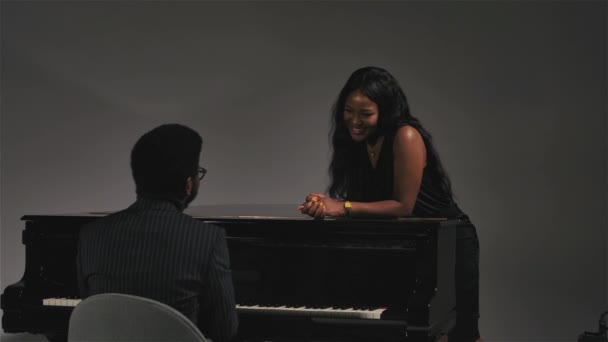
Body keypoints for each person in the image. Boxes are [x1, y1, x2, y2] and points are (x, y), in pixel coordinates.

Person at [298, 66, 483, 342]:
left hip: (449, 242)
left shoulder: (405, 135)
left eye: (366, 114)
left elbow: (403, 206)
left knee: (462, 336)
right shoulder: (354, 143)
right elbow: (365, 204)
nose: (355, 121)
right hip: (409, 245)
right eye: (349, 111)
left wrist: (342, 207)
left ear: (385, 110)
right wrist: (323, 206)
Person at [77, 123, 238, 342]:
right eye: (198, 173)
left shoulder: (91, 234)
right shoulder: (208, 239)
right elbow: (224, 330)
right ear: (188, 184)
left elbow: (94, 313)